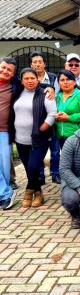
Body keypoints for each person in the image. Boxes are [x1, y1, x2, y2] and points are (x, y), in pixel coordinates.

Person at [11, 68, 56, 207]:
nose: (30, 81)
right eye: (26, 78)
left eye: (32, 78)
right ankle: (39, 193)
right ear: (22, 80)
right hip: (20, 139)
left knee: (32, 166)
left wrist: (42, 128)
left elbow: (53, 113)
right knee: (29, 168)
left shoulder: (44, 93)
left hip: (39, 139)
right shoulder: (18, 92)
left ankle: (28, 192)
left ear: (38, 79)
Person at [30, 50, 59, 184]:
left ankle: (55, 173)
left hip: (52, 120)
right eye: (34, 62)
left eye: (40, 62)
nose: (37, 64)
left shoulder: (54, 78)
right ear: (31, 64)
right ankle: (40, 176)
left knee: (54, 149)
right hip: (35, 121)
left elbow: (59, 95)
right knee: (38, 150)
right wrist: (48, 87)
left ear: (45, 64)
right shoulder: (28, 78)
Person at [55, 70, 80, 148]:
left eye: (68, 79)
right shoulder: (57, 97)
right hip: (60, 137)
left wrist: (68, 118)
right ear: (58, 83)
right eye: (62, 80)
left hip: (77, 136)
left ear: (74, 82)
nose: (65, 82)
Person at [0, 57, 19, 210]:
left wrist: (50, 88)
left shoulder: (15, 85)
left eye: (9, 70)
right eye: (3, 67)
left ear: (13, 74)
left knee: (5, 167)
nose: (5, 71)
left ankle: (4, 193)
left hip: (5, 131)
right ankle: (6, 194)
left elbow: (32, 83)